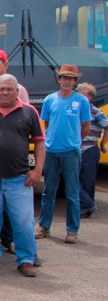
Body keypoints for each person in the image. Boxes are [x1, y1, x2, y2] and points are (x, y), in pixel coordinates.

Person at [0, 74, 44, 277]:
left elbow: (39, 141)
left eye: (9, 89)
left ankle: (26, 259)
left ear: (16, 91)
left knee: (22, 221)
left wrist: (37, 170)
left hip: (19, 179)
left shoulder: (29, 112)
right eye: (0, 89)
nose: (4, 92)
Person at [36, 64, 91, 244]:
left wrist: (74, 141)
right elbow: (46, 124)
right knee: (48, 191)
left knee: (72, 193)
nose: (67, 81)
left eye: (71, 79)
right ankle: (44, 226)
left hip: (71, 152)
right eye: (64, 78)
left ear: (75, 82)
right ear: (59, 79)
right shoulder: (50, 100)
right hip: (51, 151)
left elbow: (86, 127)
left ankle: (72, 230)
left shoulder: (81, 101)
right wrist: (51, 140)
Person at [76, 82, 108, 218]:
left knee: (88, 180)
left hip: (89, 149)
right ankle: (87, 204)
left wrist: (103, 144)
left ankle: (86, 208)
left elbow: (107, 126)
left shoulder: (95, 111)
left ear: (90, 98)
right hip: (75, 149)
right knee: (73, 179)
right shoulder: (74, 110)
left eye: (83, 96)